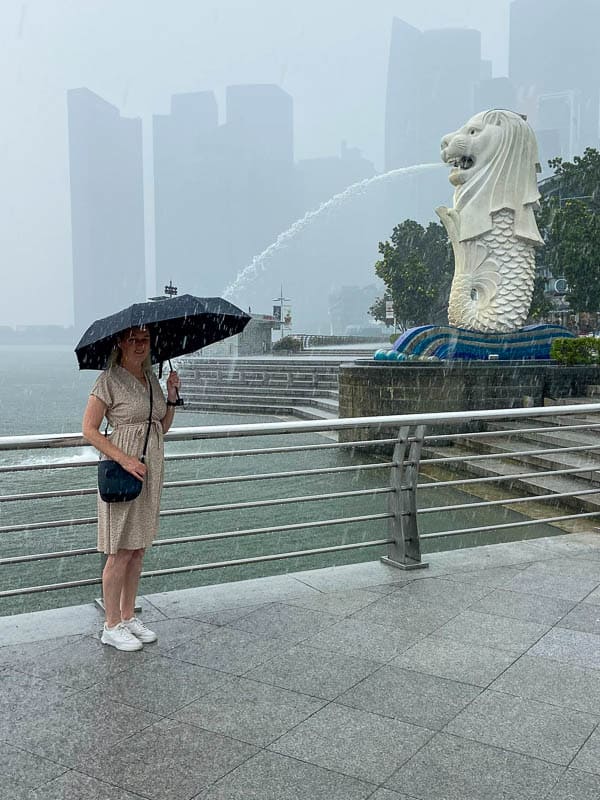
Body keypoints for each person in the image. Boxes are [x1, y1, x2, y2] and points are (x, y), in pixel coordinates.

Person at [82, 326, 181, 651]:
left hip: (150, 469)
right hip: (126, 470)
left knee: (138, 548)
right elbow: (89, 430)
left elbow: (161, 428)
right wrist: (125, 460)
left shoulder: (150, 378)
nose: (140, 345)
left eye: (145, 340)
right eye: (133, 340)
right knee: (120, 551)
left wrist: (171, 397)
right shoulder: (108, 380)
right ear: (121, 343)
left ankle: (127, 616)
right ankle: (111, 625)